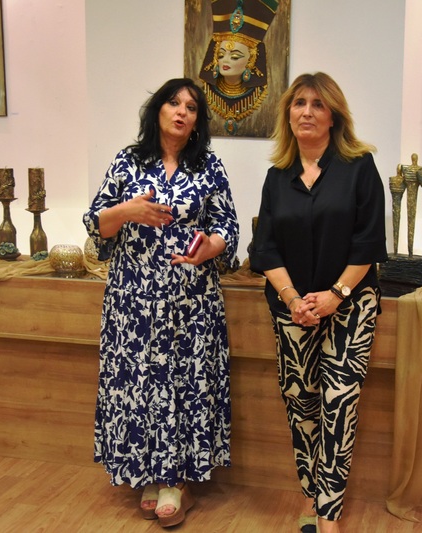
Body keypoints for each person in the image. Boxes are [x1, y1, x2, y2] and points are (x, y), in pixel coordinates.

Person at [83, 77, 239, 528]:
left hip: (192, 300)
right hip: (133, 301)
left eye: (191, 107)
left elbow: (228, 227)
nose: (181, 111)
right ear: (158, 111)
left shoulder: (208, 165)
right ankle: (149, 474)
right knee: (139, 384)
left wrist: (210, 247)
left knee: (183, 385)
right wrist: (127, 211)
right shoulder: (128, 161)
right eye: (173, 103)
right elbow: (96, 224)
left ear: (197, 121)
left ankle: (175, 482)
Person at [249, 72, 388, 533]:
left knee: (337, 404)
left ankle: (328, 516)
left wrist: (334, 296)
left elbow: (368, 243)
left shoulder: (359, 167)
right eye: (299, 103)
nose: (306, 112)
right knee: (302, 404)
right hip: (292, 311)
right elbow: (265, 249)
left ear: (334, 117)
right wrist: (294, 299)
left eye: (317, 105)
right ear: (288, 114)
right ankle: (311, 494)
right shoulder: (277, 177)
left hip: (349, 307)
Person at [198, 0, 278, 134]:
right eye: (221, 55)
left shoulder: (264, 98)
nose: (225, 60)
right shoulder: (204, 93)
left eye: (234, 56)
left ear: (251, 60)